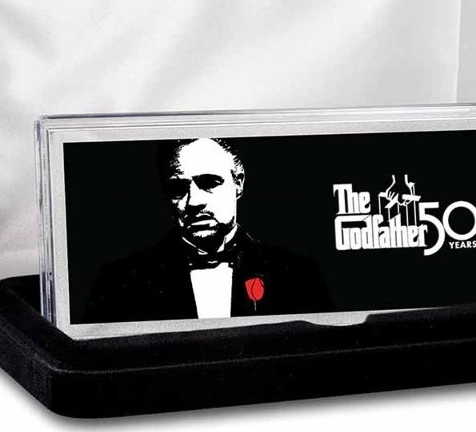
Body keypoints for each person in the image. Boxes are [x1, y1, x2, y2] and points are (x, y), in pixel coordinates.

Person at [84, 137, 332, 323]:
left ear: (238, 183)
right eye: (178, 188)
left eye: (209, 182)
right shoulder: (120, 281)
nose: (194, 201)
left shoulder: (299, 275)